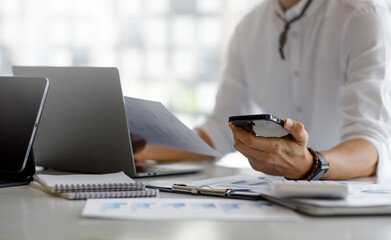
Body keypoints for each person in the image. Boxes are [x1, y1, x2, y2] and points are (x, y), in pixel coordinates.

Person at [134, 0, 391, 180]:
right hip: (280, 198)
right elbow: (222, 132)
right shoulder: (249, 27)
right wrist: (144, 150)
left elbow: (374, 144)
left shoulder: (364, 14)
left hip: (352, 204)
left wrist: (310, 165)